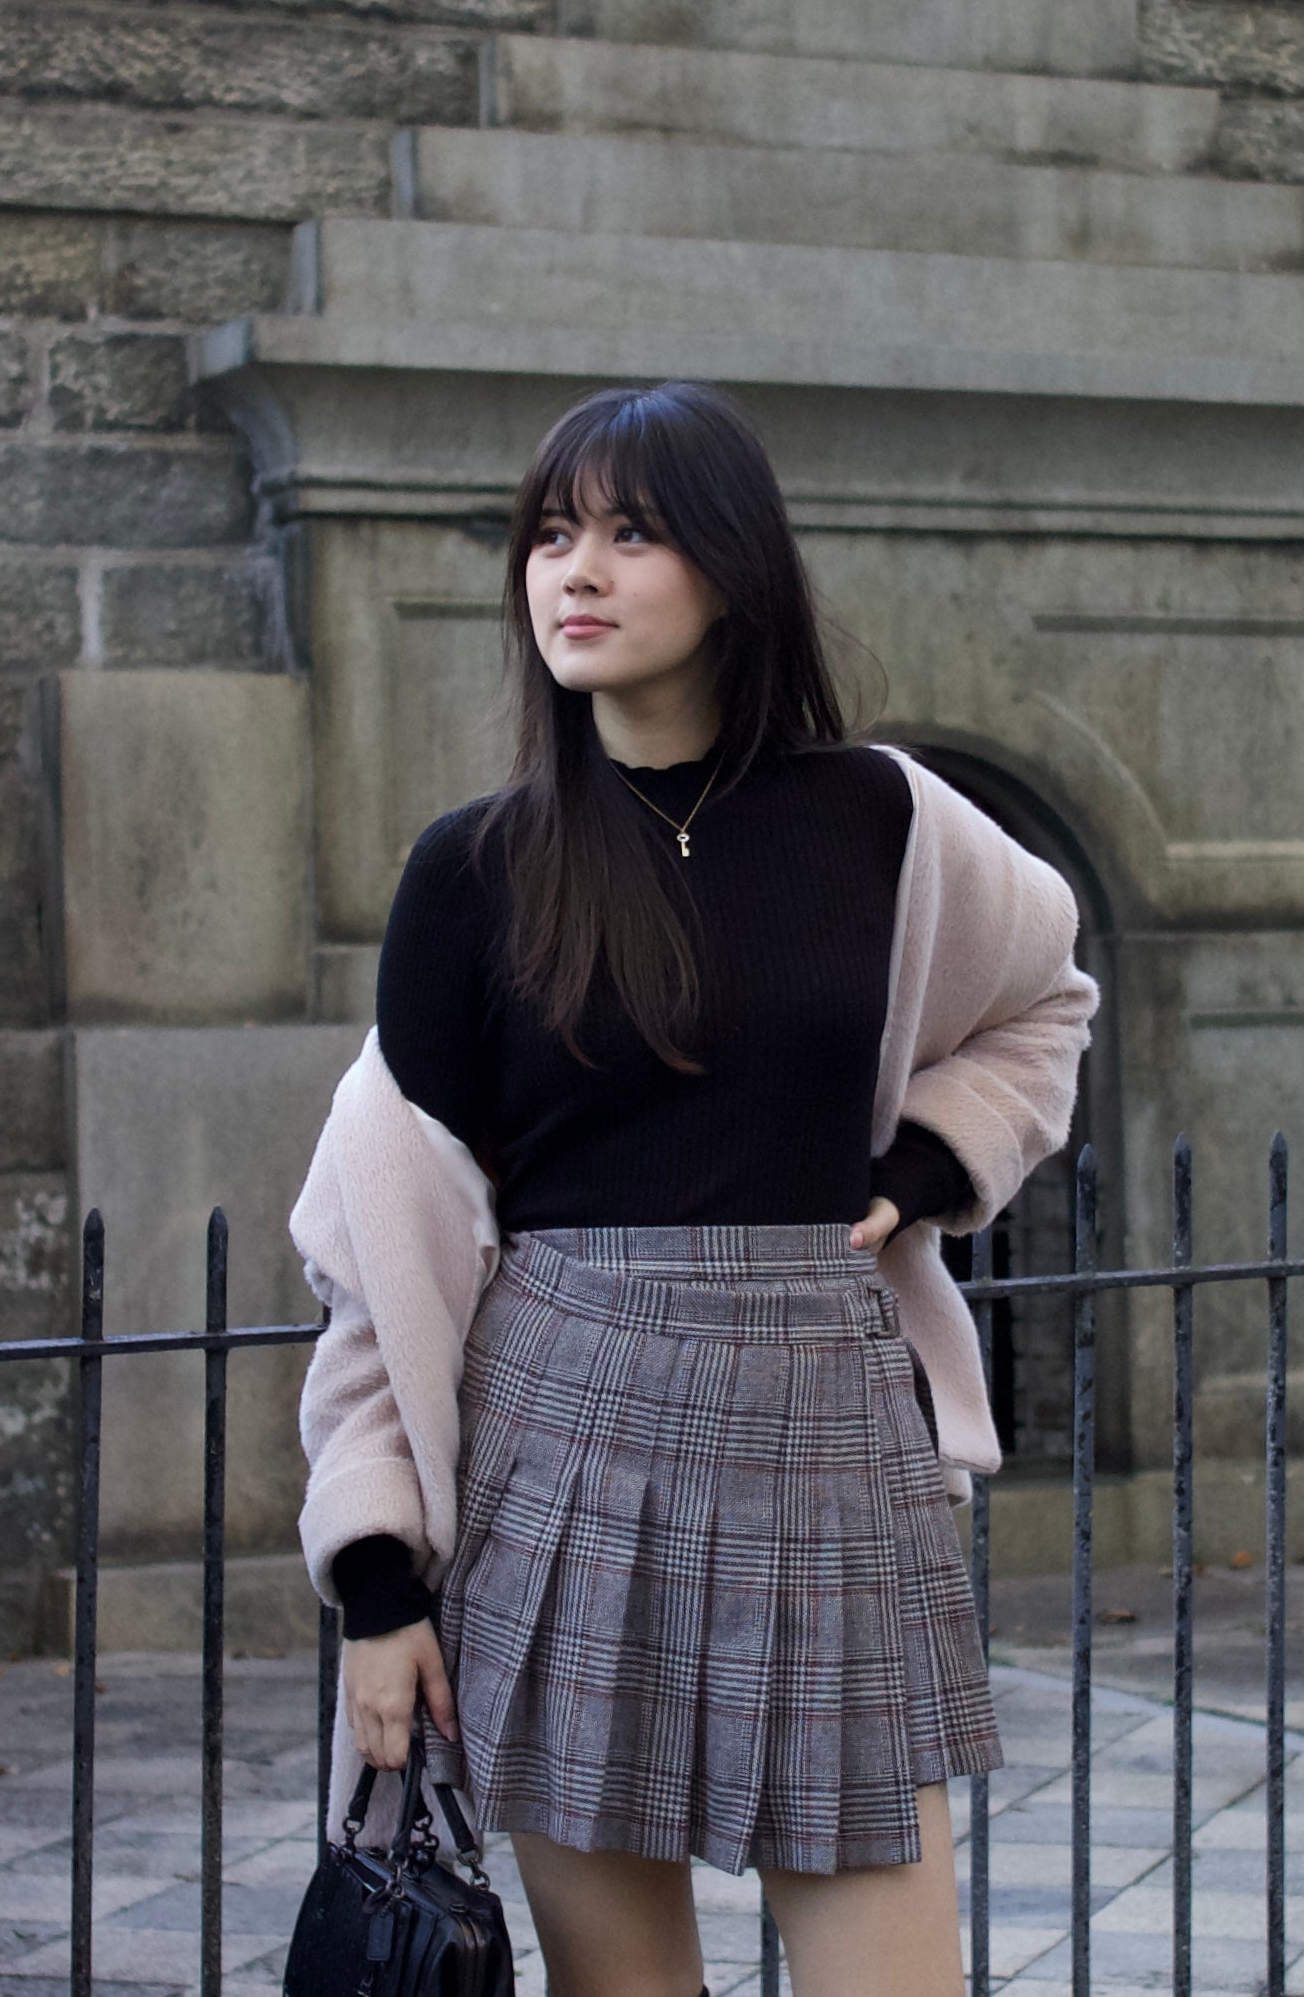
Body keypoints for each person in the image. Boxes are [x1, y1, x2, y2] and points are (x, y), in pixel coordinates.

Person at [287, 380, 1099, 1997]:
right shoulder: (472, 871)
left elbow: (1042, 997)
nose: (571, 572)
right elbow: (385, 1249)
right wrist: (379, 1584)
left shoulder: (880, 817)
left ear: (730, 569)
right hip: (557, 1443)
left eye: (629, 533)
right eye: (548, 533)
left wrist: (928, 1161)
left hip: (823, 1431)